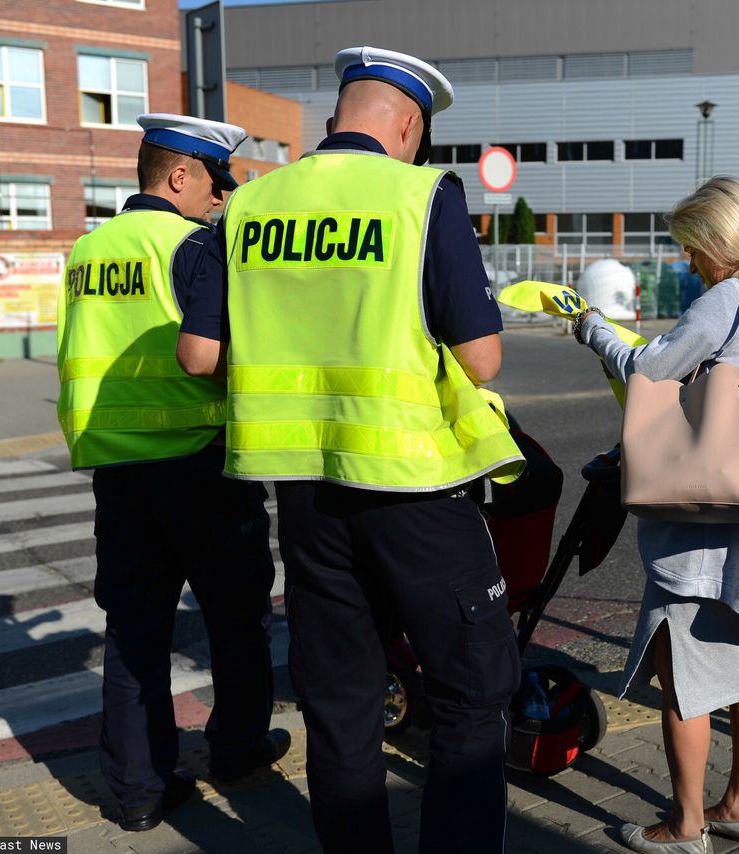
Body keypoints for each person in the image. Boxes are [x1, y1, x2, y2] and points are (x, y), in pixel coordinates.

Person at [183, 47, 525, 853]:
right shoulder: (417, 195)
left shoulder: (252, 205)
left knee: (340, 707)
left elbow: (202, 355)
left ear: (335, 118)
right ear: (408, 125)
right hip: (414, 490)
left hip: (304, 496)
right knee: (474, 692)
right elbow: (481, 359)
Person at [572, 176, 739, 854]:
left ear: (719, 240)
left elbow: (650, 369)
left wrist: (592, 329)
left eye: (691, 247)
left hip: (708, 538)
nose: (689, 262)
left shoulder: (728, 299)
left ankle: (684, 828)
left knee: (684, 680)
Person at [56, 113, 288, 833]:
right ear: (180, 176)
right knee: (236, 619)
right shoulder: (193, 245)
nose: (221, 199)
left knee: (133, 631)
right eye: (216, 183)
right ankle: (238, 750)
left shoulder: (87, 249)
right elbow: (216, 349)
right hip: (198, 460)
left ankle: (135, 792)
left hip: (117, 468)